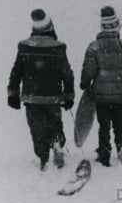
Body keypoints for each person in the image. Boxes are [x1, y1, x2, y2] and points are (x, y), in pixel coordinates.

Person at [8, 9, 74, 170]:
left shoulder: (24, 47)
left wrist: (13, 94)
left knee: (37, 127)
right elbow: (67, 74)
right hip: (53, 96)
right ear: (51, 27)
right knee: (55, 123)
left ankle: (43, 155)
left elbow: (16, 72)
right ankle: (57, 144)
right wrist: (69, 96)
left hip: (32, 97)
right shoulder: (59, 48)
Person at [77, 6, 122, 168]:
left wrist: (84, 83)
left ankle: (104, 152)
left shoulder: (94, 47)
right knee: (119, 121)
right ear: (117, 24)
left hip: (101, 95)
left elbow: (88, 71)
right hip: (119, 95)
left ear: (102, 26)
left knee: (103, 124)